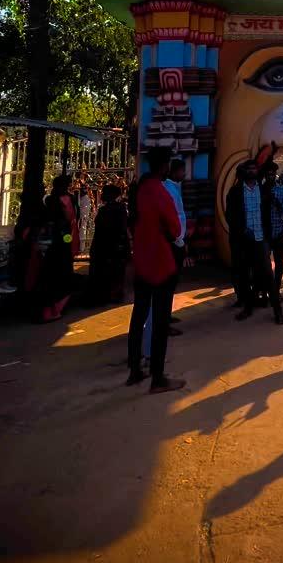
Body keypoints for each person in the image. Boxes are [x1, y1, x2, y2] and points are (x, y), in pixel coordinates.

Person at [126, 147, 186, 394]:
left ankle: (134, 370)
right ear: (163, 166)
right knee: (160, 320)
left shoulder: (139, 189)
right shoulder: (160, 192)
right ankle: (158, 378)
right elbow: (173, 228)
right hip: (160, 261)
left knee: (139, 314)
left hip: (141, 259)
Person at [225, 159, 283, 324]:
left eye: (254, 168)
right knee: (245, 277)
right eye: (249, 169)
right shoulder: (236, 192)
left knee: (267, 275)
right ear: (244, 172)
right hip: (243, 242)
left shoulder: (264, 191)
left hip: (261, 240)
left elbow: (272, 211)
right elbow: (229, 215)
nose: (252, 171)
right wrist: (242, 230)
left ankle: (278, 311)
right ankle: (248, 308)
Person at [30, 176, 76, 322]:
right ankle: (54, 310)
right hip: (62, 240)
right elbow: (71, 219)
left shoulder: (49, 200)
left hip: (53, 242)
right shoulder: (65, 200)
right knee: (60, 275)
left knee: (50, 275)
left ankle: (48, 310)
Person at [88, 184, 130, 305]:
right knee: (115, 271)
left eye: (104, 193)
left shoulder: (111, 210)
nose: (101, 195)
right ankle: (112, 294)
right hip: (113, 245)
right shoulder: (118, 208)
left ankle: (108, 295)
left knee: (109, 271)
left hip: (108, 246)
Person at [163, 158, 187, 333]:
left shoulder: (174, 188)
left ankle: (166, 315)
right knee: (167, 283)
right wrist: (176, 239)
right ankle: (163, 322)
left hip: (177, 240)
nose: (184, 174)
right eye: (182, 171)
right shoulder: (169, 189)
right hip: (173, 242)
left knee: (171, 284)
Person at [261, 161, 283, 297]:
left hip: (279, 230)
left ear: (275, 174)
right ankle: (267, 288)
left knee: (279, 262)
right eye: (267, 174)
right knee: (265, 263)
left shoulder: (281, 189)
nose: (270, 176)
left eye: (272, 174)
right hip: (264, 232)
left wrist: (280, 205)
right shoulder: (259, 190)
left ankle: (276, 289)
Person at [78, 184, 93, 254]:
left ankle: (82, 248)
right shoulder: (79, 197)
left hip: (82, 218)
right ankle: (80, 248)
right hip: (79, 218)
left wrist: (82, 217)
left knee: (82, 231)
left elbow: (85, 209)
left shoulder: (86, 198)